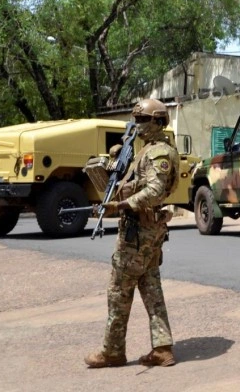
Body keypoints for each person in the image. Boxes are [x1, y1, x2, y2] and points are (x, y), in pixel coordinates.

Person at [84, 98, 180, 368]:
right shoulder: (147, 150)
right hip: (147, 230)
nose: (137, 125)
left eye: (143, 120)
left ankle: (112, 351)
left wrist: (124, 205)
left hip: (139, 232)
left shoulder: (158, 153)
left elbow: (155, 191)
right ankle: (162, 348)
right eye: (135, 120)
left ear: (158, 121)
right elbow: (137, 183)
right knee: (151, 288)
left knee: (118, 290)